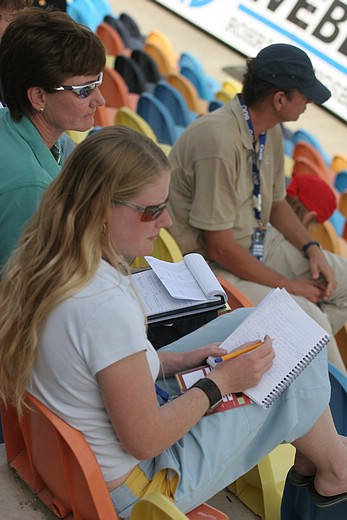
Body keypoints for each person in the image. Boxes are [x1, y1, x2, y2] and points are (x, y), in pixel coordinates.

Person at [1, 126, 347, 517]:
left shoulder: (43, 257)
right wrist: (221, 383)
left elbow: (90, 364)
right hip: (143, 486)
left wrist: (173, 361)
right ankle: (333, 467)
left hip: (80, 458)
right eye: (150, 211)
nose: (165, 221)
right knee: (296, 370)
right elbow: (146, 440)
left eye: (165, 206)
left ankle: (320, 456)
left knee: (264, 322)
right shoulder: (103, 305)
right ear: (99, 209)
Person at [167, 43, 347, 374]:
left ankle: (289, 354)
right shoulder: (219, 141)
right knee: (312, 321)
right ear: (280, 99)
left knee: (332, 293)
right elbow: (219, 246)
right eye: (304, 95)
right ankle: (327, 393)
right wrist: (290, 288)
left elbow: (276, 202)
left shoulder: (270, 130)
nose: (308, 103)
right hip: (212, 267)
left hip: (257, 241)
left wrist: (312, 248)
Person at [0, 7, 106, 272]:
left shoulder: (6, 119)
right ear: (38, 97)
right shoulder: (32, 187)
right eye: (84, 91)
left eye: (98, 82)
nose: (100, 100)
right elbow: (20, 294)